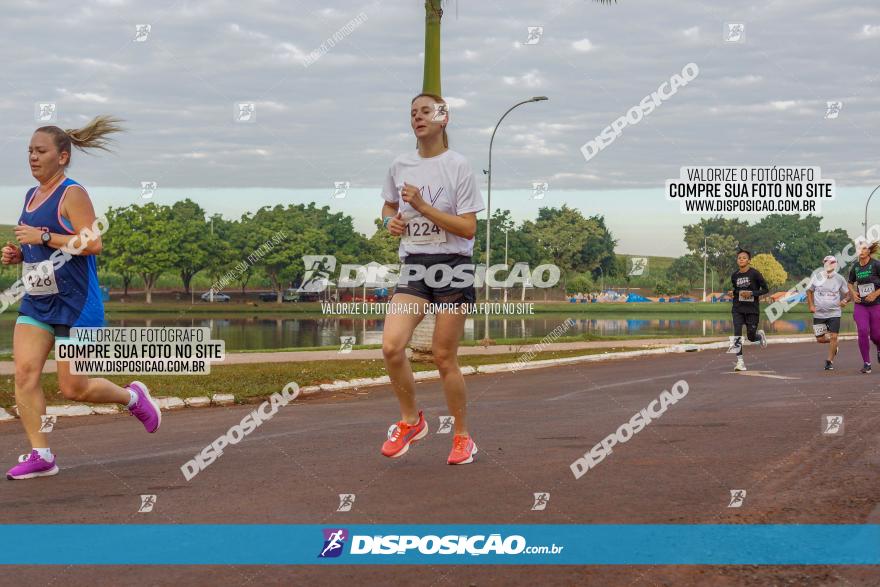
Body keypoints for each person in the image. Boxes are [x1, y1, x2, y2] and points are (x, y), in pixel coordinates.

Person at [1, 116, 161, 480]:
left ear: (63, 156)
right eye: (29, 151)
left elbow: (92, 242)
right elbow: (46, 247)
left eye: (40, 151)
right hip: (39, 299)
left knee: (73, 387)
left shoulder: (72, 193)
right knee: (25, 373)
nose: (33, 157)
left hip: (77, 304)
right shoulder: (31, 195)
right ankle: (41, 454)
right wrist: (21, 254)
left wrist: (41, 237)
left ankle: (133, 397)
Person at [379, 93, 484, 465]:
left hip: (453, 264)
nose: (417, 118)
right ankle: (411, 420)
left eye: (426, 111)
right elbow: (390, 205)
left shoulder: (458, 166)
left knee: (443, 356)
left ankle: (461, 436)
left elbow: (469, 228)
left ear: (444, 118)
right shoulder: (399, 165)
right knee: (392, 347)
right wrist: (389, 220)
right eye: (412, 113)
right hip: (416, 264)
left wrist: (423, 207)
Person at [807, 255, 850, 370]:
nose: (829, 264)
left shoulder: (839, 278)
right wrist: (811, 305)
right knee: (820, 339)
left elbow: (848, 294)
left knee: (834, 336)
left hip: (834, 313)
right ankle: (834, 345)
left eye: (831, 263)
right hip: (819, 313)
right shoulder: (817, 277)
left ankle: (829, 361)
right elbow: (809, 291)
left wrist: (845, 300)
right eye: (826, 262)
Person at [729, 249, 768, 371]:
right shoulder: (734, 275)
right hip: (738, 308)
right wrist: (732, 293)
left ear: (749, 260)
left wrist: (752, 293)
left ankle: (759, 336)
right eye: (739, 258)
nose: (741, 259)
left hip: (752, 309)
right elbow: (736, 290)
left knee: (751, 337)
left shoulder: (755, 274)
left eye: (744, 257)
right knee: (737, 333)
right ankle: (739, 361)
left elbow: (765, 289)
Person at [846, 240, 880, 373]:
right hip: (861, 305)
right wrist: (853, 292)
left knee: (876, 336)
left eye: (864, 248)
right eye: (859, 249)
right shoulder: (855, 267)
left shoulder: (876, 264)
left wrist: (876, 293)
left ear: (869, 251)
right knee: (862, 331)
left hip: (876, 304)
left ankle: (879, 349)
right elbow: (850, 282)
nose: (861, 251)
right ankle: (867, 363)